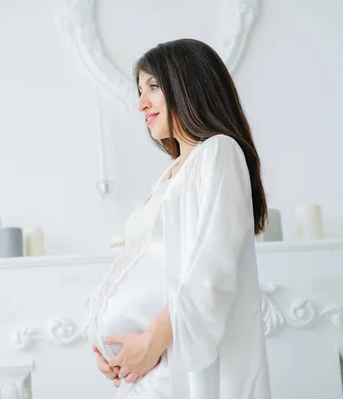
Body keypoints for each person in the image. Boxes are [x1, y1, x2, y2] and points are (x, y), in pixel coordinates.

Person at [85, 38, 271, 399]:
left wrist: (150, 343)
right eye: (140, 91)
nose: (141, 104)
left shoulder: (218, 151)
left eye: (153, 86)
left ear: (189, 83)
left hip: (180, 365)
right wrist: (115, 349)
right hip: (150, 371)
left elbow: (210, 271)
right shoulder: (170, 174)